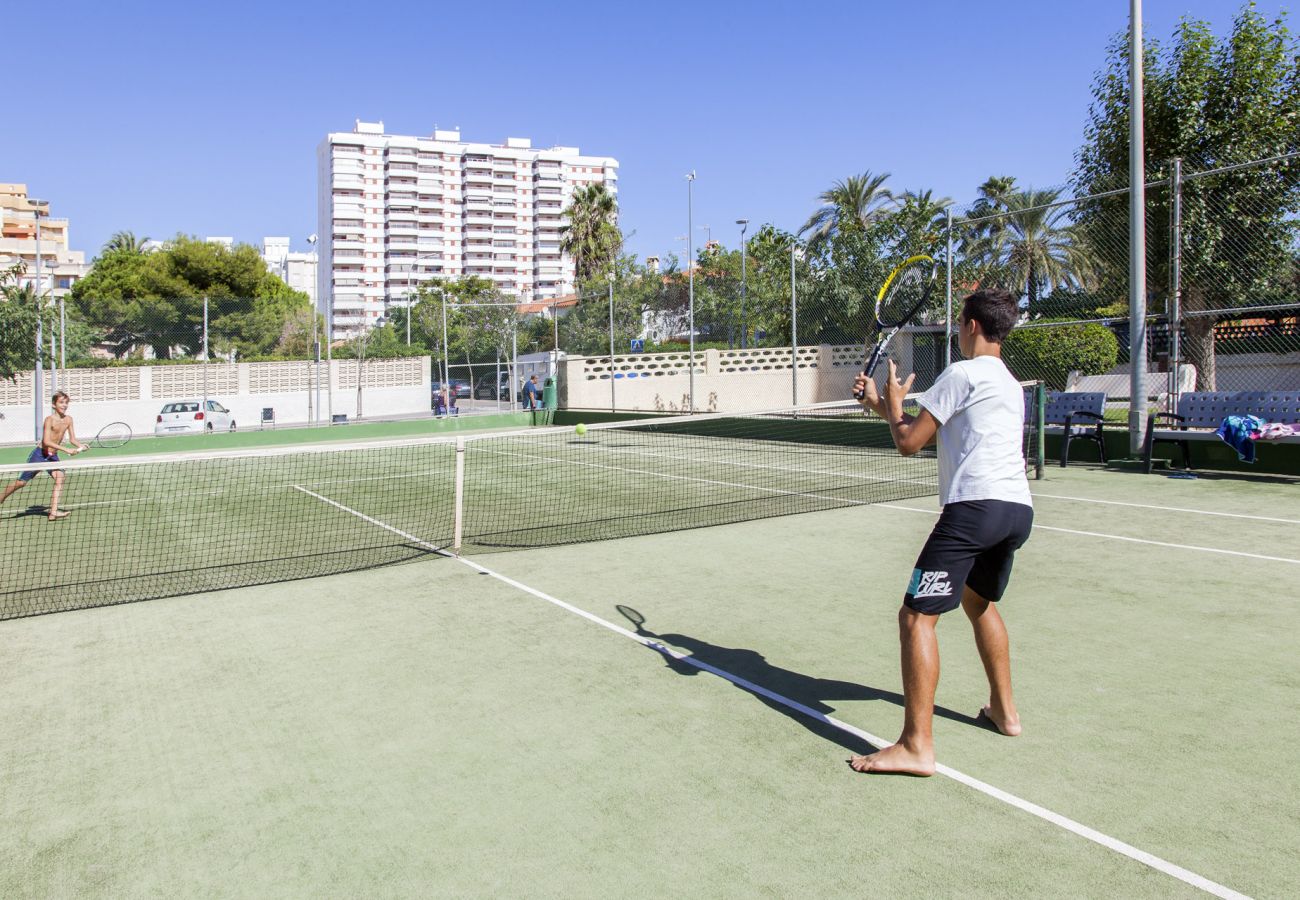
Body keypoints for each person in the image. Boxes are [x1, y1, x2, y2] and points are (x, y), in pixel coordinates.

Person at [849, 288, 1033, 776]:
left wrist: (892, 404)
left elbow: (908, 443)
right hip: (1016, 512)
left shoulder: (961, 373)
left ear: (971, 325)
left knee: (915, 619)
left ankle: (916, 746)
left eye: (959, 322)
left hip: (974, 510)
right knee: (978, 603)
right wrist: (880, 403)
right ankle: (1004, 712)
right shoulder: (1009, 384)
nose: (956, 329)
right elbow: (919, 429)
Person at [1, 390, 89, 521]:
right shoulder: (49, 420)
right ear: (54, 405)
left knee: (60, 478)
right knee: (21, 483)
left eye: (66, 403)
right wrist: (67, 450)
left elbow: (72, 439)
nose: (64, 405)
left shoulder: (69, 420)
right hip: (39, 455)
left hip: (52, 457)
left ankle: (53, 512)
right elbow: (46, 441)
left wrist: (81, 446)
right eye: (61, 402)